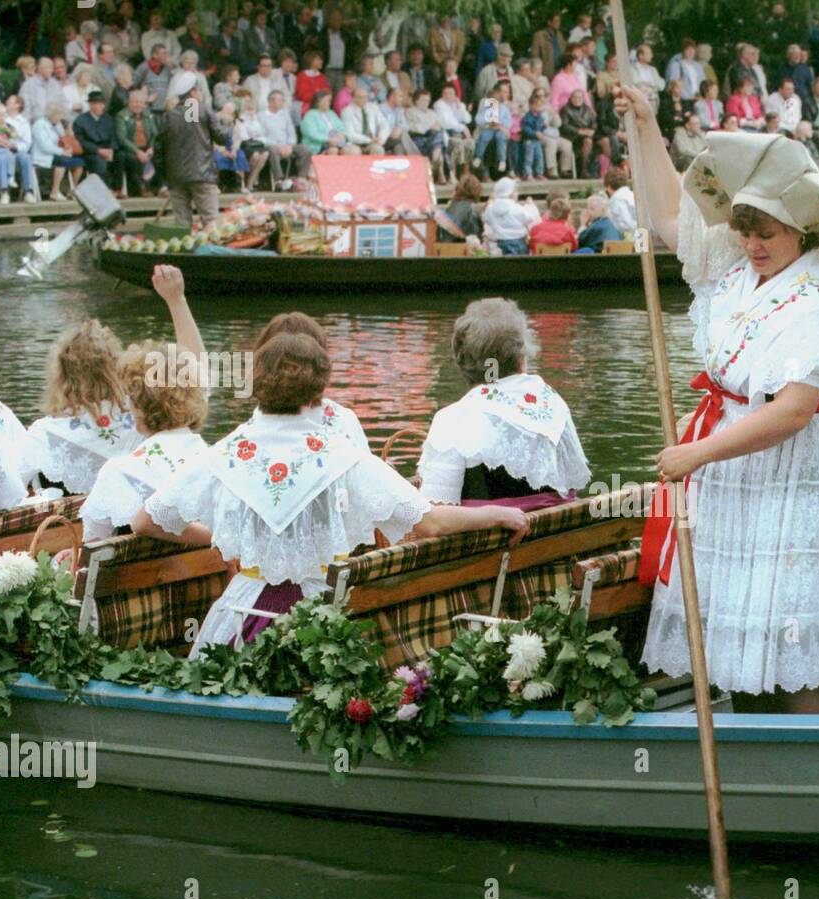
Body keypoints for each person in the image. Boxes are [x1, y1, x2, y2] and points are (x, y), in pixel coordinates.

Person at [616, 86, 819, 714]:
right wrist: (647, 127)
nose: (752, 245)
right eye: (746, 232)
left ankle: (812, 759)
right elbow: (671, 218)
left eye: (766, 234)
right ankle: (753, 751)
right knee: (737, 624)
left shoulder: (816, 303)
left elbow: (794, 411)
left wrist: (699, 456)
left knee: (792, 624)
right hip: (735, 467)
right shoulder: (741, 271)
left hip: (791, 471)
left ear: (801, 229)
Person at [135, 331, 528, 656]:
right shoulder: (340, 453)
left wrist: (220, 541)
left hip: (241, 614)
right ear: (319, 393)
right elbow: (431, 521)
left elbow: (146, 521)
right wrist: (496, 513)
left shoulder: (227, 450)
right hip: (322, 618)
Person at [418, 298, 590, 509]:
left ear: (462, 361)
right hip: (562, 536)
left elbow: (435, 519)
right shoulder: (552, 403)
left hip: (490, 540)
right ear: (521, 358)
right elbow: (571, 487)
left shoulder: (452, 420)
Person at [81, 271, 209, 541]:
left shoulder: (120, 471)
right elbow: (197, 365)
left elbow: (90, 551)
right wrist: (177, 300)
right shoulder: (216, 461)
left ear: (138, 406)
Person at [21, 320, 138, 494]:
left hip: (66, 520)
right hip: (135, 517)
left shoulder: (44, 433)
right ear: (115, 367)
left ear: (62, 374)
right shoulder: (143, 415)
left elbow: (10, 490)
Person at [164, 70, 232, 225]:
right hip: (201, 174)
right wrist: (227, 121)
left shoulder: (170, 115)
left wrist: (166, 176)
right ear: (193, 92)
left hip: (176, 176)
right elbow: (222, 138)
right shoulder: (200, 109)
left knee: (182, 224)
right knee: (210, 222)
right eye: (199, 90)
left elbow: (160, 149)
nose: (201, 93)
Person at [32, 101, 84, 200]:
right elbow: (45, 146)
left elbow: (62, 140)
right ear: (52, 115)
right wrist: (62, 152)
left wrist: (69, 132)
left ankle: (71, 190)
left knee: (80, 163)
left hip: (56, 153)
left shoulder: (57, 124)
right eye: (59, 115)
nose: (60, 117)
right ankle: (54, 192)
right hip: (43, 155)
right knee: (62, 161)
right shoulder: (39, 125)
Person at [260, 88, 311, 188]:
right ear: (271, 101)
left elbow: (291, 133)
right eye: (279, 100)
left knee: (304, 149)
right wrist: (278, 146)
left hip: (287, 146)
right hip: (271, 145)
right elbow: (261, 136)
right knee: (273, 150)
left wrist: (290, 146)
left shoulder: (285, 114)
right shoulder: (261, 115)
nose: (282, 103)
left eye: (282, 100)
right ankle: (279, 180)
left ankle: (301, 178)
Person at [115, 86, 161, 197]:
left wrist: (151, 148)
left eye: (141, 102)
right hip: (130, 148)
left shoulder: (148, 115)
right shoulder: (121, 116)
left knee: (160, 156)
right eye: (135, 102)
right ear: (129, 102)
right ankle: (142, 188)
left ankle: (162, 187)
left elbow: (155, 134)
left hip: (146, 148)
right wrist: (137, 151)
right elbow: (122, 138)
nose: (138, 105)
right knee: (133, 159)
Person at [71, 90, 120, 193]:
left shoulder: (108, 119)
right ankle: (105, 190)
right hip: (90, 151)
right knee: (98, 161)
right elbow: (80, 141)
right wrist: (98, 150)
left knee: (122, 157)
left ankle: (117, 189)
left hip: (107, 149)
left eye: (101, 104)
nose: (99, 106)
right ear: (90, 105)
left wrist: (111, 149)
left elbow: (113, 137)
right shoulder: (81, 120)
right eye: (96, 104)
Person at [483, 176, 539, 254]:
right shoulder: (517, 208)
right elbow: (529, 218)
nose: (517, 193)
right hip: (519, 242)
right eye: (515, 191)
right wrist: (530, 206)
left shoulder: (490, 208)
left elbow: (485, 219)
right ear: (510, 193)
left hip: (501, 242)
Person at [300, 88, 353, 156]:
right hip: (317, 145)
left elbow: (341, 127)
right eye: (328, 101)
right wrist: (329, 139)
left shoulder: (331, 113)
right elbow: (312, 134)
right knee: (333, 150)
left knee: (348, 150)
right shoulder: (310, 115)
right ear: (319, 101)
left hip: (335, 142)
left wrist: (341, 134)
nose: (330, 103)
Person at [341, 84, 390, 155]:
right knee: (354, 152)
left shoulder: (373, 107)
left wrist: (381, 139)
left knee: (378, 149)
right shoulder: (346, 111)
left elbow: (384, 124)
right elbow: (350, 135)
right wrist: (369, 140)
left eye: (365, 97)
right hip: (355, 144)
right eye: (360, 97)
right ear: (353, 98)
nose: (364, 99)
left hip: (372, 142)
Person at [439, 171, 484, 243]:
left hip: (446, 245)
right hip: (459, 248)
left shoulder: (452, 205)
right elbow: (475, 235)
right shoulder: (470, 209)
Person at [519, 88, 549, 180]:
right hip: (529, 140)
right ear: (531, 105)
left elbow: (540, 128)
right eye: (536, 105)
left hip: (537, 141)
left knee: (539, 157)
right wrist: (534, 133)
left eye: (540, 105)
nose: (539, 107)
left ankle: (539, 172)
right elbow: (525, 129)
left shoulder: (539, 117)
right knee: (528, 158)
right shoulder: (527, 117)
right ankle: (527, 173)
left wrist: (544, 127)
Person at [604, 165, 636, 234]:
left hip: (631, 237)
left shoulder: (617, 199)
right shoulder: (631, 194)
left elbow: (626, 224)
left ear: (608, 187)